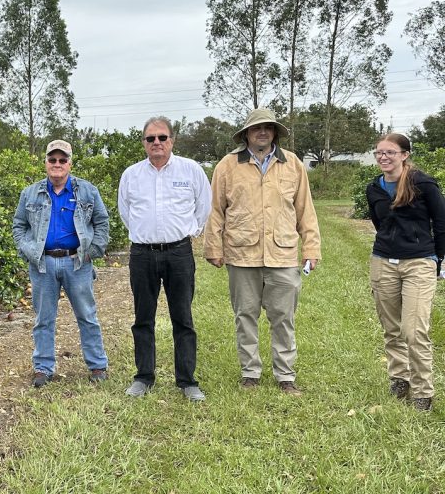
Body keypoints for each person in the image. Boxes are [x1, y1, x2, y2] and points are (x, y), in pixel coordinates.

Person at [203, 108, 321, 395]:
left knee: (283, 317)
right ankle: (250, 373)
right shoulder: (227, 166)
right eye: (257, 128)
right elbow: (216, 210)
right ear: (246, 134)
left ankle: (285, 376)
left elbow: (306, 210)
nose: (263, 132)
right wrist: (212, 246)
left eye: (268, 128)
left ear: (275, 133)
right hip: (242, 253)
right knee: (245, 315)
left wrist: (311, 247)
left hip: (282, 254)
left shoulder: (292, 164)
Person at [118, 117, 211, 401]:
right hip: (142, 255)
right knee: (143, 318)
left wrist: (190, 232)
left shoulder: (191, 170)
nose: (156, 143)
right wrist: (144, 234)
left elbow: (204, 206)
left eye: (162, 137)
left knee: (182, 318)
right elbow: (125, 212)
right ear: (144, 143)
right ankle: (143, 377)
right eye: (150, 139)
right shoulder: (131, 175)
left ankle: (187, 381)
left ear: (172, 139)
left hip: (179, 253)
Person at [12, 139, 110, 388]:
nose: (57, 164)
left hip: (77, 262)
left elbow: (102, 223)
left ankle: (97, 365)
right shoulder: (30, 193)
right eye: (52, 159)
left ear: (70, 163)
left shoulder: (87, 191)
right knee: (43, 319)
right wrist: (29, 251)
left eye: (62, 160)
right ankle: (43, 368)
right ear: (45, 162)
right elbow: (19, 226)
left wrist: (91, 252)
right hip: (43, 264)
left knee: (87, 315)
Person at [366, 133, 445, 411]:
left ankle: (423, 391)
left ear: (404, 155)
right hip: (383, 262)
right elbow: (380, 224)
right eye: (379, 153)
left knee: (414, 331)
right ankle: (399, 379)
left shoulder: (422, 183)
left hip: (419, 263)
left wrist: (438, 259)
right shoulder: (373, 188)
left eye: (389, 152)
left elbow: (441, 221)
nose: (383, 157)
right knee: (392, 329)